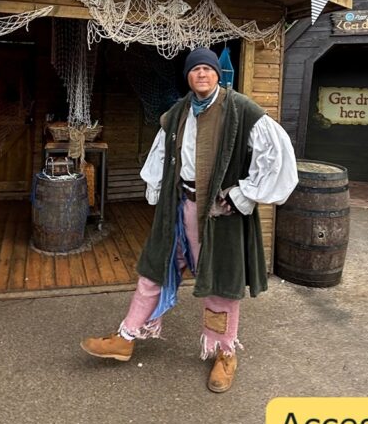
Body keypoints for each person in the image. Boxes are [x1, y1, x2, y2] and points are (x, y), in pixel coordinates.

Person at [81, 47, 298, 392]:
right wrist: (155, 188)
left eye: (207, 69)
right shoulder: (178, 112)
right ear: (188, 76)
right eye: (195, 70)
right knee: (154, 270)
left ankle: (224, 353)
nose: (201, 75)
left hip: (219, 214)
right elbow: (161, 151)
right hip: (179, 205)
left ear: (216, 74)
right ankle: (126, 337)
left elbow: (276, 155)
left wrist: (244, 194)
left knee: (219, 283)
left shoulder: (241, 110)